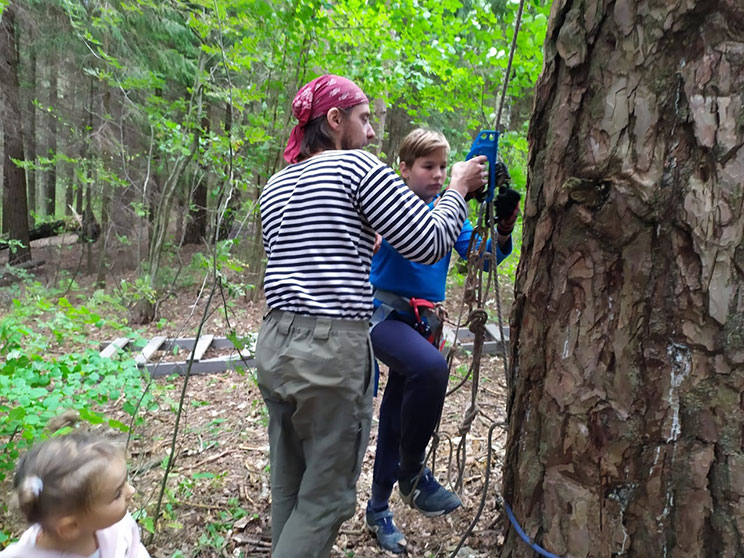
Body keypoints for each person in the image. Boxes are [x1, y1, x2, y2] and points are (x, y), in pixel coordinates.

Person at [256, 75, 489, 558]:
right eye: (363, 119)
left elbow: (306, 257)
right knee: (325, 501)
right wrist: (460, 187)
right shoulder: (358, 167)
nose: (371, 132)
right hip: (329, 351)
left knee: (291, 487)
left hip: (275, 343)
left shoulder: (277, 185)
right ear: (335, 121)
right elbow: (429, 241)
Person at [364, 128, 520, 553]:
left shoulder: (452, 214)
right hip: (384, 317)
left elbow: (481, 259)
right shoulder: (394, 205)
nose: (436, 176)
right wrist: (458, 191)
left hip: (423, 324)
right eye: (426, 167)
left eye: (440, 167)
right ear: (404, 170)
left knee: (397, 414)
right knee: (430, 369)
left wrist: (503, 226)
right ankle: (413, 475)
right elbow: (421, 240)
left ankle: (378, 508)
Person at [0, 415, 150, 558]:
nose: (131, 491)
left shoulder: (114, 526)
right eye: (117, 493)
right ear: (70, 526)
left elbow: (134, 550)